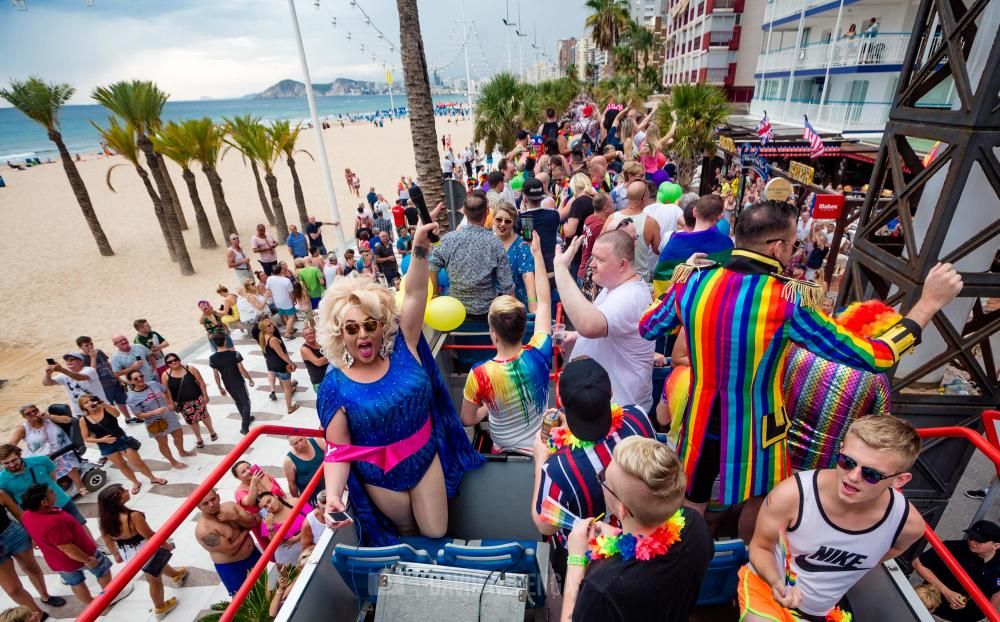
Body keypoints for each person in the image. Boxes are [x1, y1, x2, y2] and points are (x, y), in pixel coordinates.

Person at [639, 199, 961, 530]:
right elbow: (876, 356)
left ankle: (686, 562)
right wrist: (927, 305)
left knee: (695, 492)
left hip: (699, 414)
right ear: (778, 247)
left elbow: (647, 326)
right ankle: (751, 564)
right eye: (793, 245)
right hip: (761, 424)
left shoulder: (691, 281)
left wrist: (678, 290)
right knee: (763, 498)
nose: (793, 253)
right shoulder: (787, 300)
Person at [317, 205, 485, 545]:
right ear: (341, 334)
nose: (362, 334)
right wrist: (333, 493)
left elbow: (416, 293)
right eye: (352, 328)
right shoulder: (335, 385)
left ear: (381, 325)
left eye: (369, 324)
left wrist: (419, 248)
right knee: (406, 533)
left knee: (436, 530)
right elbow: (337, 449)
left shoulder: (404, 346)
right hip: (381, 476)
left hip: (425, 455)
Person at [741, 416, 926, 622]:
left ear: (899, 480)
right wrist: (777, 583)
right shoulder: (793, 495)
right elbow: (761, 547)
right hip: (767, 591)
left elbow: (891, 550)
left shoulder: (908, 525)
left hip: (823, 610)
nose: (853, 477)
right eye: (846, 462)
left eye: (871, 474)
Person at [559, 437, 713, 622]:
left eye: (604, 480)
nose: (603, 481)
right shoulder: (695, 526)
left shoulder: (603, 588)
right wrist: (619, 538)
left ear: (622, 509)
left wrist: (576, 560)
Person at [531, 359, 656, 571]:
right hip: (642, 541)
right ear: (611, 392)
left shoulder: (557, 467)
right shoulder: (638, 417)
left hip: (588, 560)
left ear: (561, 400)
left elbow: (545, 525)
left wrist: (541, 459)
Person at [462, 235, 551, 454]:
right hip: (540, 449)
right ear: (523, 329)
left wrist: (487, 409)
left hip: (502, 451)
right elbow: (545, 302)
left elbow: (467, 419)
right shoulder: (540, 351)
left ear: (493, 334)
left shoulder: (479, 374)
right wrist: (537, 255)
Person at [783, 300, 897, 472]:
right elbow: (880, 426)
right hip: (826, 467)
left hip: (778, 452)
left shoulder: (799, 351)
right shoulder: (876, 378)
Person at [556, 230, 655, 412]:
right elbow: (606, 321)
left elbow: (590, 325)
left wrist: (561, 269)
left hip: (620, 413)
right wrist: (576, 335)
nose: (591, 264)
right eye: (592, 257)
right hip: (604, 407)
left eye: (599, 260)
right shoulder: (614, 286)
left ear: (622, 265)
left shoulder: (629, 297)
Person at [20, 484, 132, 606]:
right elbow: (66, 547)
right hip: (82, 555)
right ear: (44, 502)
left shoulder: (26, 515)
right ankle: (111, 596)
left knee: (76, 583)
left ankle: (92, 606)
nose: (55, 492)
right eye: (51, 492)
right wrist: (87, 559)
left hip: (57, 561)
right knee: (103, 571)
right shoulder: (54, 522)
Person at [97, 484, 187, 618]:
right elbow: (149, 535)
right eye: (124, 491)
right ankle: (160, 607)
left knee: (156, 567)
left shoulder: (104, 519)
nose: (127, 491)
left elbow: (106, 537)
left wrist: (116, 554)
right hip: (144, 551)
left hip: (127, 553)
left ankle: (175, 574)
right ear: (119, 499)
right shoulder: (133, 517)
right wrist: (165, 544)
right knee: (154, 579)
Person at [429, 190, 514, 320]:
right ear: (487, 212)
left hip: (454, 311)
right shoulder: (494, 243)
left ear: (464, 211)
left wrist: (435, 295)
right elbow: (506, 285)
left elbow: (432, 266)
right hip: (486, 312)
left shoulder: (448, 239)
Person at [913, 520, 1000, 621]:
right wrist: (947, 592)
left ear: (996, 545)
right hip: (936, 614)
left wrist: (988, 616)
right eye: (971, 537)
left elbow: (997, 592)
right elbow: (918, 563)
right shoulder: (952, 548)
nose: (972, 542)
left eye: (979, 541)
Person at [651, 194, 734, 298]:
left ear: (694, 212)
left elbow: (662, 283)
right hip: (712, 304)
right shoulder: (727, 243)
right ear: (720, 217)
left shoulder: (674, 244)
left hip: (681, 305)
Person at [0, 489, 65, 619]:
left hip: (13, 535)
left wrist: (33, 533)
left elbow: (20, 514)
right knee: (13, 589)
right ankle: (36, 615)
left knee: (31, 567)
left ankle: (45, 596)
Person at [78, 396, 165, 493]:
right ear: (83, 407)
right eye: (86, 402)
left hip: (121, 439)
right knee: (121, 465)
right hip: (106, 445)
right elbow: (86, 438)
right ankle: (135, 482)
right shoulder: (83, 420)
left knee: (137, 462)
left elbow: (117, 414)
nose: (90, 403)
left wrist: (105, 405)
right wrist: (102, 440)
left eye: (91, 400)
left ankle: (152, 478)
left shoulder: (105, 408)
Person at [195, 489, 262, 596]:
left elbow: (253, 521)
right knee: (245, 600)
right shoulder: (204, 530)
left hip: (253, 555)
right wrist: (245, 530)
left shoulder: (230, 506)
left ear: (218, 496)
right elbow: (231, 549)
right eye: (205, 503)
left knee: (265, 586)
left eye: (213, 499)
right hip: (233, 567)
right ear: (199, 507)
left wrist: (235, 517)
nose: (211, 504)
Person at [0, 446, 87, 525]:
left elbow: (53, 478)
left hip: (62, 502)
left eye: (14, 460)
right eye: (6, 463)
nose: (11, 465)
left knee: (81, 526)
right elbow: (12, 502)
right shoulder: (2, 480)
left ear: (19, 455)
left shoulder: (42, 460)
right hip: (38, 515)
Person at [124, 370, 193, 470]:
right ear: (131, 382)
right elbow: (139, 415)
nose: (140, 379)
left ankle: (182, 451)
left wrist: (170, 402)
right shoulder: (131, 399)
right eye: (136, 378)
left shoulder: (153, 384)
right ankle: (173, 462)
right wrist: (154, 412)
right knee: (163, 443)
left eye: (141, 376)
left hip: (168, 415)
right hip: (154, 422)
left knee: (179, 435)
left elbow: (165, 389)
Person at [10, 405, 83, 495]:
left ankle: (80, 486)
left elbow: (68, 420)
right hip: (37, 455)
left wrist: (49, 416)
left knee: (61, 459)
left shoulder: (48, 418)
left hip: (60, 449)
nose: (33, 413)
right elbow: (11, 445)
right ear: (24, 417)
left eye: (34, 410)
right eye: (28, 413)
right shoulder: (23, 428)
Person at [604, 181, 660, 281]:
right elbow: (658, 250)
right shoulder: (651, 223)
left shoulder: (612, 218)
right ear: (644, 199)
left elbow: (600, 243)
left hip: (615, 277)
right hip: (639, 279)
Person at [160, 353, 217, 449]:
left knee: (204, 416)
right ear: (167, 364)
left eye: (175, 359)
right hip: (183, 403)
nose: (173, 362)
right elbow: (166, 391)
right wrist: (170, 402)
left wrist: (205, 395)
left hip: (197, 398)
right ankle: (198, 438)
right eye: (170, 362)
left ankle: (211, 431)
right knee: (192, 421)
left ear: (179, 359)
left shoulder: (190, 369)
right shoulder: (165, 375)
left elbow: (201, 382)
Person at [492, 202, 537, 311]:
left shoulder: (522, 244)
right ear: (493, 219)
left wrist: (532, 304)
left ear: (513, 223)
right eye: (499, 219)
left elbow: (528, 274)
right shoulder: (487, 241)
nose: (502, 224)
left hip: (517, 302)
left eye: (507, 221)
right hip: (492, 303)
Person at [76, 336, 133, 422]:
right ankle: (112, 423)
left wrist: (118, 379)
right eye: (87, 345)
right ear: (80, 347)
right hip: (102, 387)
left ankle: (128, 418)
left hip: (113, 381)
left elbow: (108, 365)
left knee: (122, 401)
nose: (90, 347)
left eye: (91, 344)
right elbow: (91, 372)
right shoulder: (81, 359)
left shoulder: (99, 352)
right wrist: (93, 357)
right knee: (107, 406)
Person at [208, 332, 256, 435]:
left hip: (227, 383)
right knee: (246, 403)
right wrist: (250, 379)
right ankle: (245, 427)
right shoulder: (235, 354)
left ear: (214, 344)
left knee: (238, 401)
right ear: (225, 341)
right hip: (238, 381)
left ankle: (245, 418)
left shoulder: (212, 358)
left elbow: (216, 375)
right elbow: (242, 370)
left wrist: (219, 387)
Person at [42, 353, 107, 418]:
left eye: (72, 359)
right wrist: (48, 374)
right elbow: (47, 383)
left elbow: (79, 378)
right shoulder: (64, 375)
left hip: (98, 407)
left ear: (81, 362)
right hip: (81, 412)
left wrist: (62, 370)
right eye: (67, 360)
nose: (69, 361)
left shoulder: (90, 370)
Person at [257, 318, 300, 414]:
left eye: (271, 324)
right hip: (281, 366)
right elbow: (281, 354)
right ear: (265, 329)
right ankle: (289, 407)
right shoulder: (273, 339)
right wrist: (292, 363)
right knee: (288, 388)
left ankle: (286, 392)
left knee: (282, 382)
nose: (272, 325)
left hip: (272, 366)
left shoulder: (263, 337)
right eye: (269, 325)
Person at [257, 492, 313, 565]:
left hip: (309, 535)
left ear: (275, 496)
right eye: (265, 507)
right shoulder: (267, 520)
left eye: (269, 501)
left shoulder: (294, 502)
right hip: (289, 550)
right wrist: (270, 527)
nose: (270, 506)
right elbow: (277, 543)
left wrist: (298, 537)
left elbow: (313, 519)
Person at [578, 193, 614, 287]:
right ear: (606, 208)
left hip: (582, 271)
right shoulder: (601, 226)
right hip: (590, 275)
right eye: (612, 203)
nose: (615, 206)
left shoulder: (589, 218)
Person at [284, 436, 325, 505]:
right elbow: (292, 484)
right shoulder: (288, 460)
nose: (300, 444)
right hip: (314, 498)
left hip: (332, 485)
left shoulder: (317, 441)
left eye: (301, 440)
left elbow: (332, 455)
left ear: (305, 437)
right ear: (291, 445)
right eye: (296, 443)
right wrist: (299, 502)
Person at [266, 265, 298, 338]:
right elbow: (291, 293)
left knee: (283, 315)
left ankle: (290, 328)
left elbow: (268, 289)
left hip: (277, 301)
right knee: (291, 317)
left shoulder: (269, 278)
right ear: (281, 271)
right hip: (286, 301)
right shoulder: (286, 280)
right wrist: (294, 300)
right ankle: (287, 333)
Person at [300, 327, 329, 392]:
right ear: (303, 337)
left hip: (329, 377)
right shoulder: (304, 349)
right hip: (319, 381)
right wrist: (330, 355)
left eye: (311, 333)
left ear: (315, 333)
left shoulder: (320, 344)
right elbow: (318, 362)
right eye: (306, 334)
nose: (309, 335)